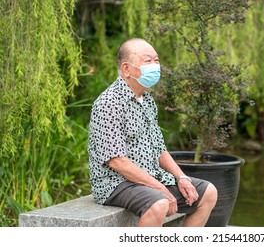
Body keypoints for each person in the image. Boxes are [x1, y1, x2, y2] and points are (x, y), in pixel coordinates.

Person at [88, 38, 218, 227]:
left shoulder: (147, 100)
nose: (155, 66)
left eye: (156, 61)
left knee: (208, 193)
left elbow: (159, 148)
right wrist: (160, 189)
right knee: (159, 204)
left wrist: (181, 177)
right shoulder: (109, 103)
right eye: (147, 61)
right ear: (126, 69)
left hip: (150, 176)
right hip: (116, 183)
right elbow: (117, 161)